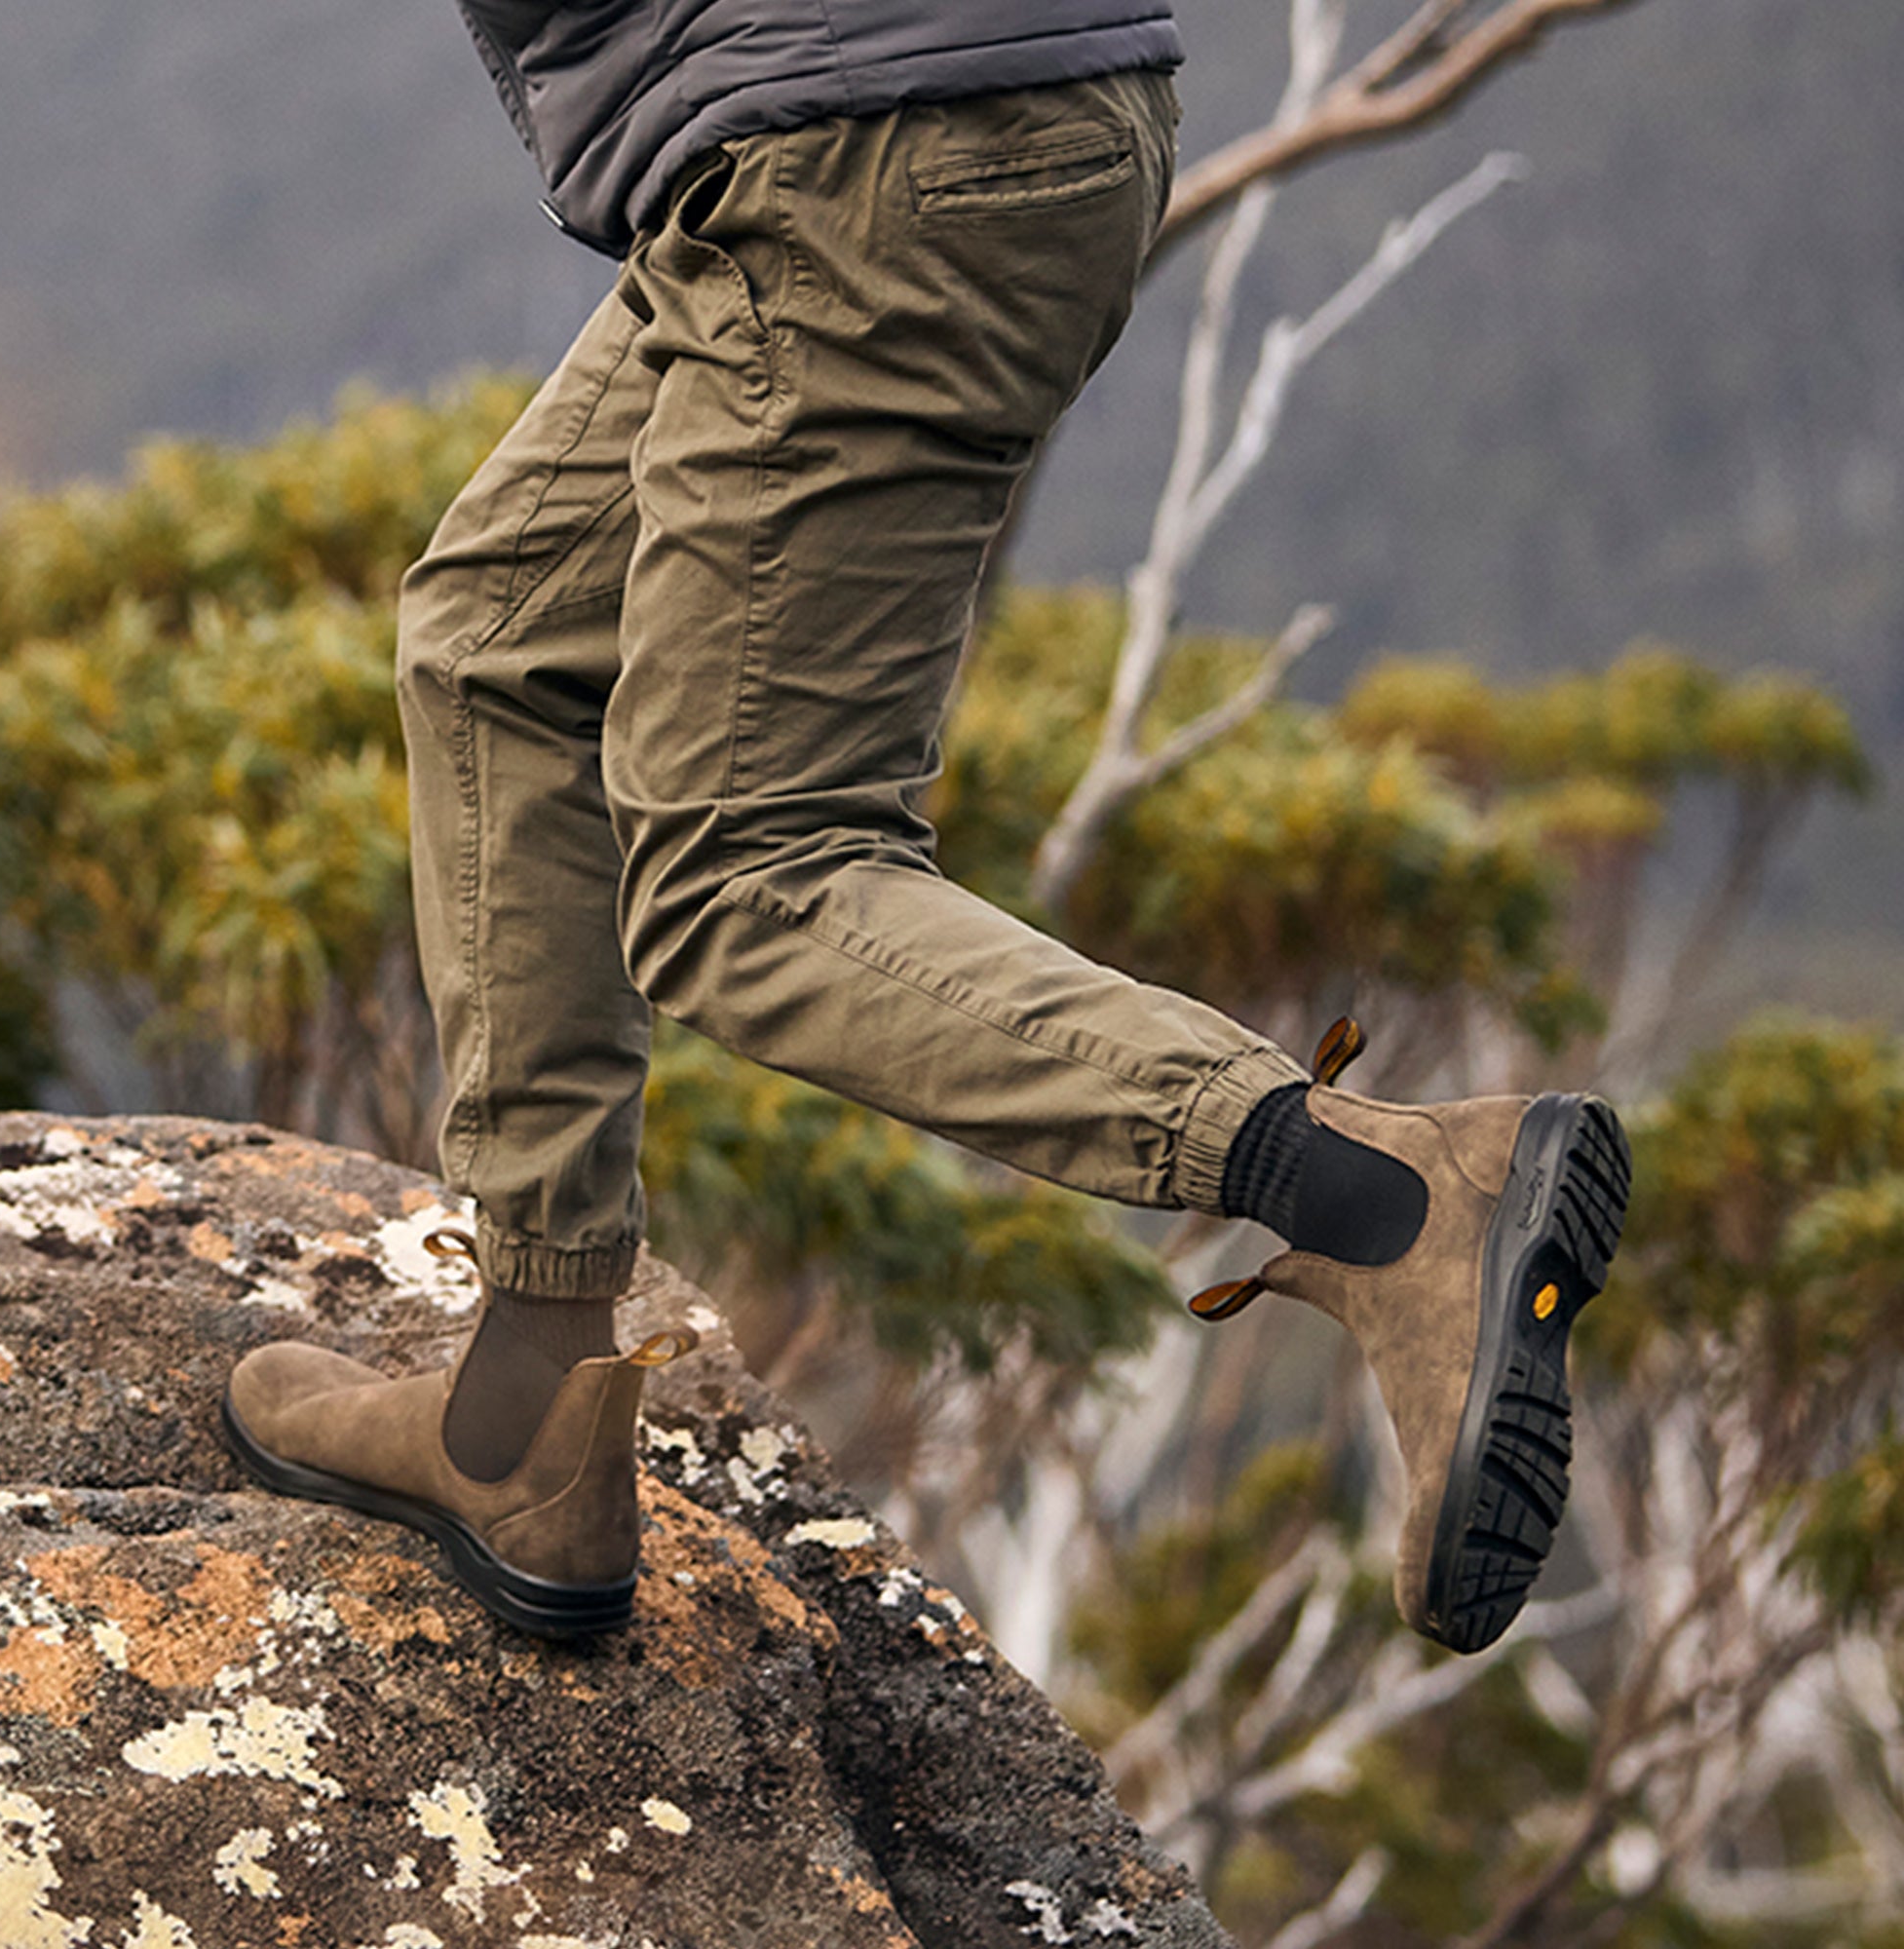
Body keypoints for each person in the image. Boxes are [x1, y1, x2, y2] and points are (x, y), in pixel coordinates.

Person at [223, 0, 1629, 1658]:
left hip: (854, 154)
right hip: (970, 103)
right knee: (506, 642)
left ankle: (1389, 1197)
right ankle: (524, 1408)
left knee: (751, 873)